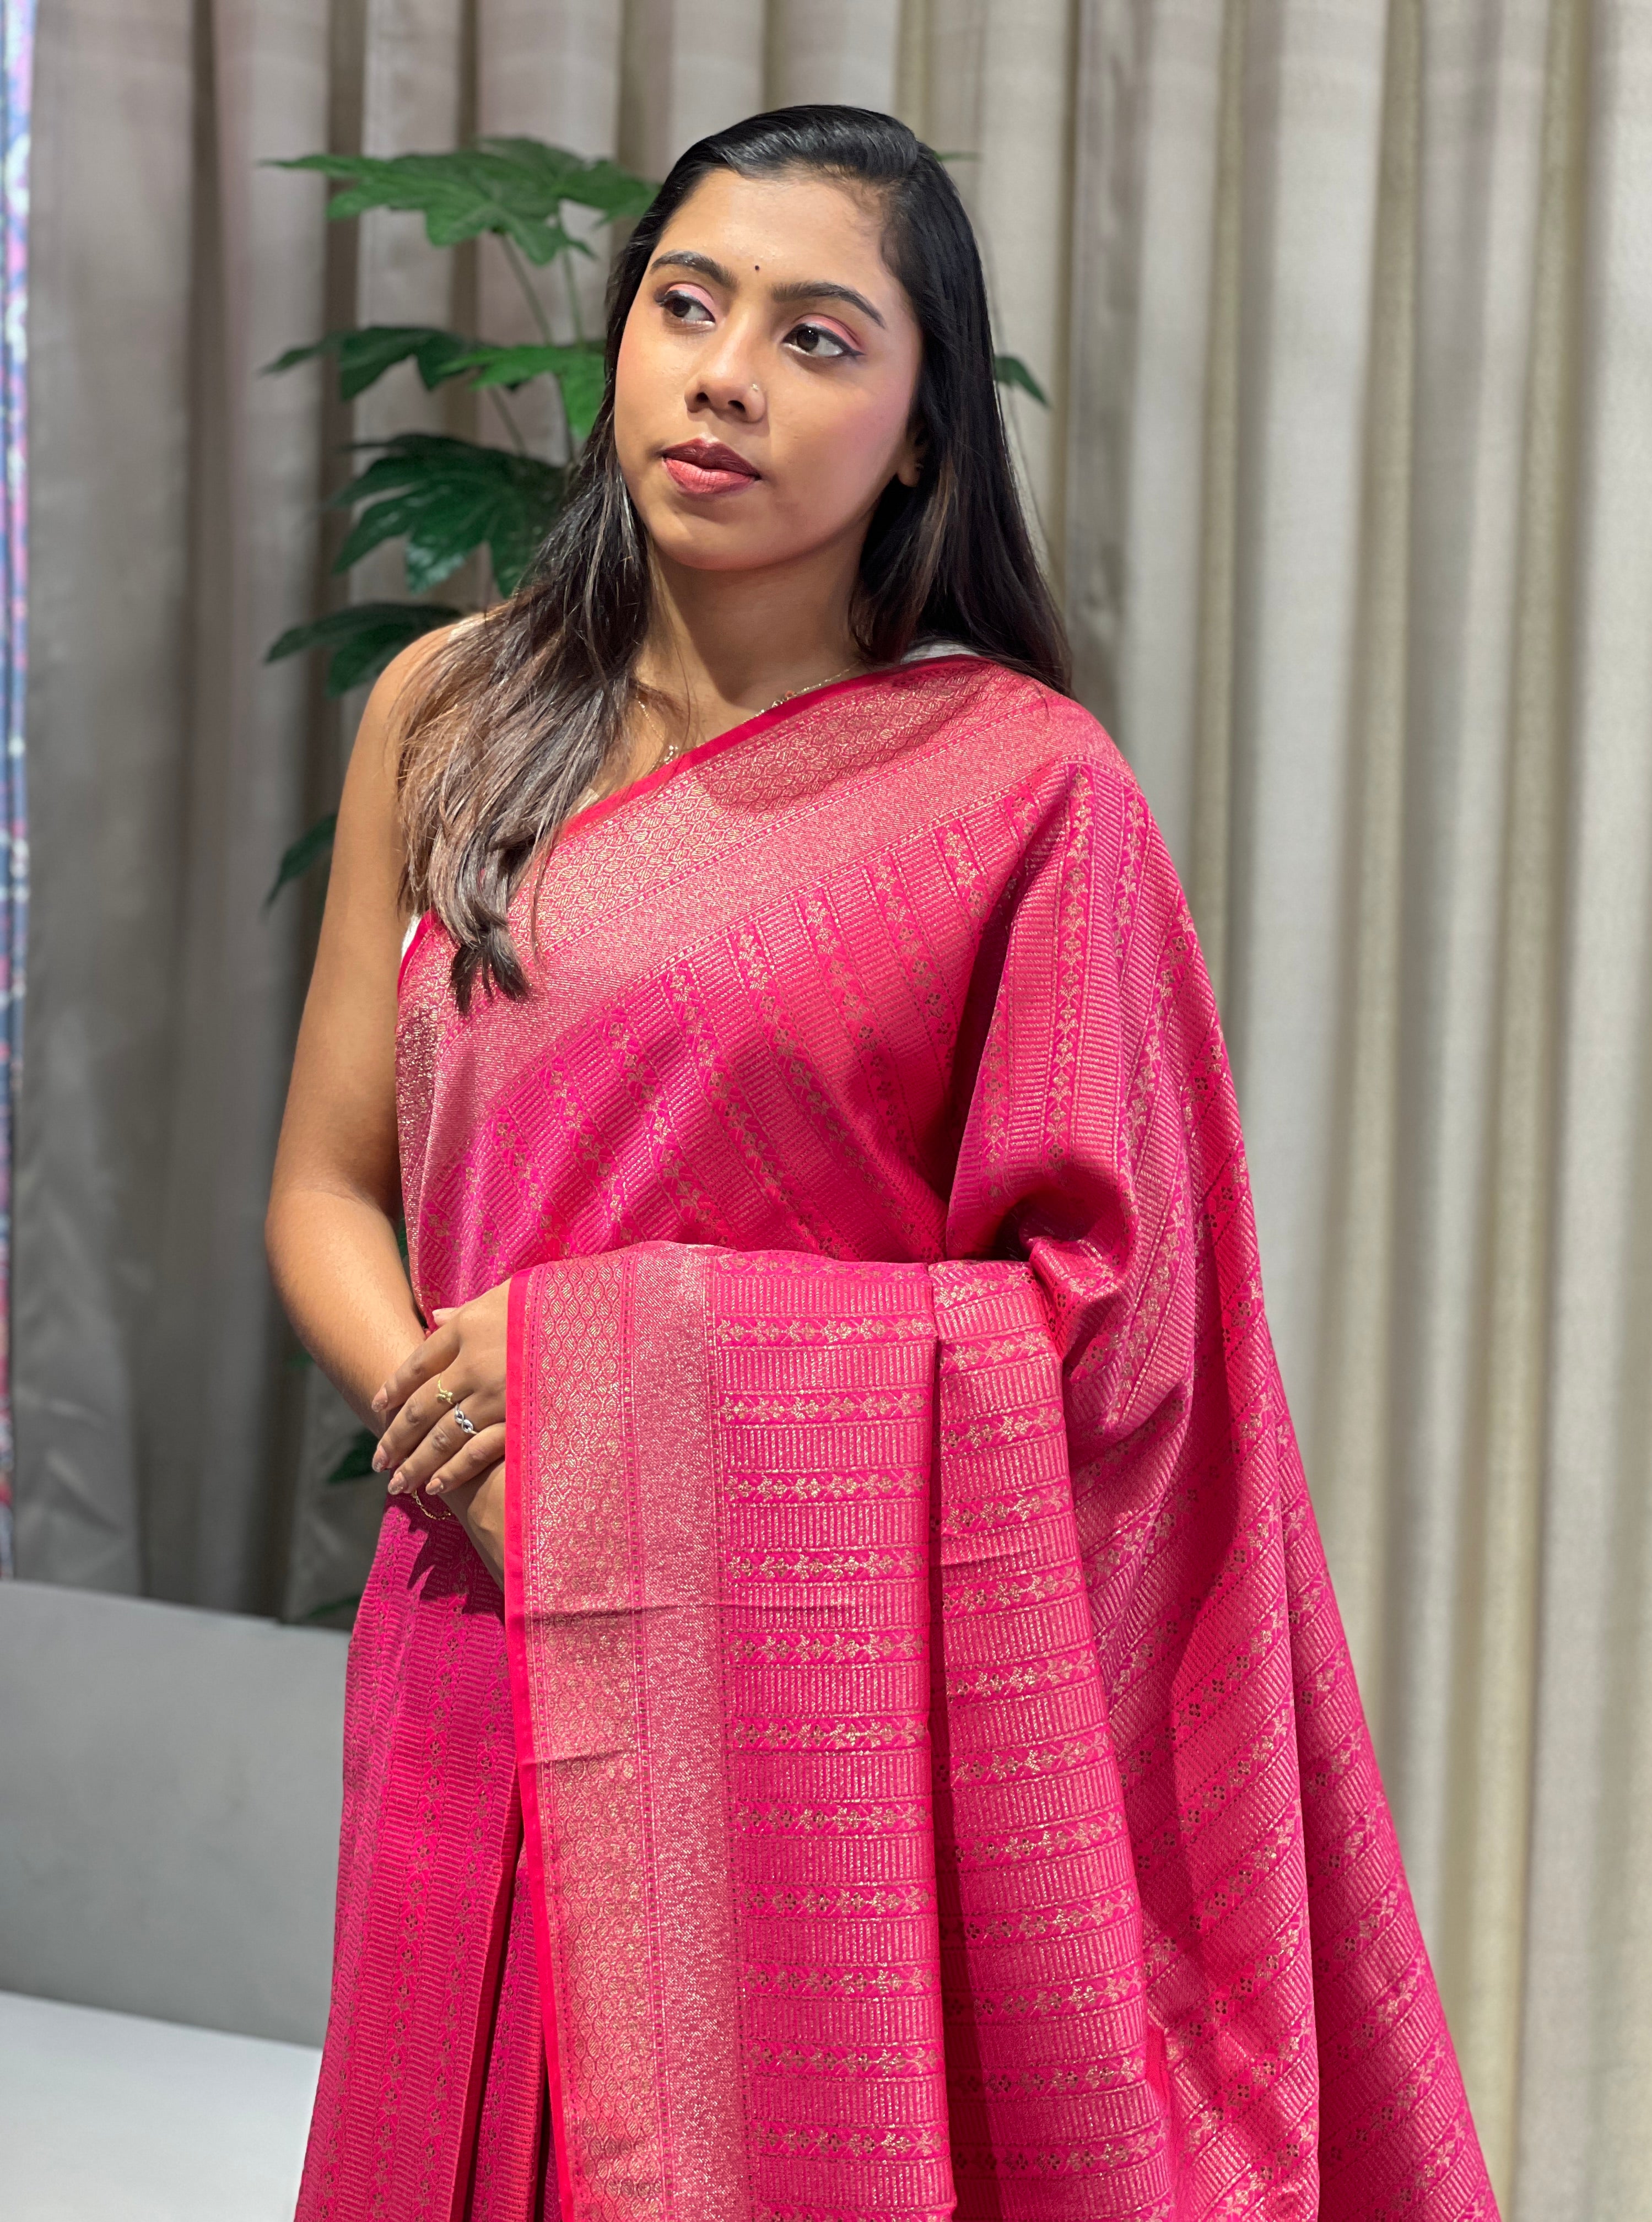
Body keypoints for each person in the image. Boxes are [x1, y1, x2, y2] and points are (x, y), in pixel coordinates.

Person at [267, 105, 1494, 2222]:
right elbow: (322, 1186)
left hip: (805, 1703)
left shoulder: (1022, 798)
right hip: (478, 1607)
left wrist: (626, 1380)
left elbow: (1118, 1337)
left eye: (818, 338)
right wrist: (462, 1430)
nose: (725, 375)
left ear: (926, 430)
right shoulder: (448, 713)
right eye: (687, 305)